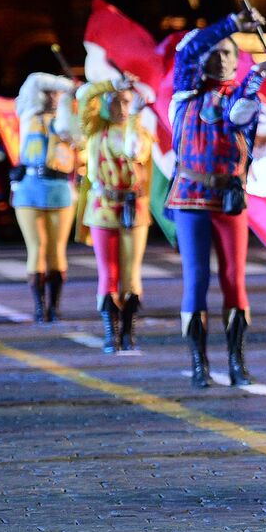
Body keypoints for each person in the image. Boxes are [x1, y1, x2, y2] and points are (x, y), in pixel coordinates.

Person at [168, 4, 266, 389]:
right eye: (214, 52)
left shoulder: (245, 97)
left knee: (234, 279)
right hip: (190, 197)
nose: (220, 58)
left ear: (238, 60)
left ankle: (237, 361)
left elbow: (236, 116)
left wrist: (258, 76)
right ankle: (199, 363)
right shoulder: (184, 91)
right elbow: (188, 50)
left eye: (229, 52)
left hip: (229, 199)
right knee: (196, 278)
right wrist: (231, 24)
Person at [77, 75, 154, 352]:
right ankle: (111, 332)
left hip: (134, 207)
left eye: (125, 102)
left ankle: (128, 331)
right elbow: (84, 97)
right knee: (107, 272)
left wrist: (134, 118)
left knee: (131, 274)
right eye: (114, 101)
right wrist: (111, 84)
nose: (121, 107)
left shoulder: (141, 132)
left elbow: (133, 151)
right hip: (103, 207)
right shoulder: (95, 128)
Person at [12, 73, 80, 323]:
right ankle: (39, 306)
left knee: (56, 250)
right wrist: (68, 85)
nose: (53, 96)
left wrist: (69, 101)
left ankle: (54, 306)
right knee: (37, 247)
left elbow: (75, 135)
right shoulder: (28, 113)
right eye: (50, 92)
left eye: (57, 93)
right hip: (30, 185)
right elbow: (33, 81)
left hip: (59, 186)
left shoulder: (69, 120)